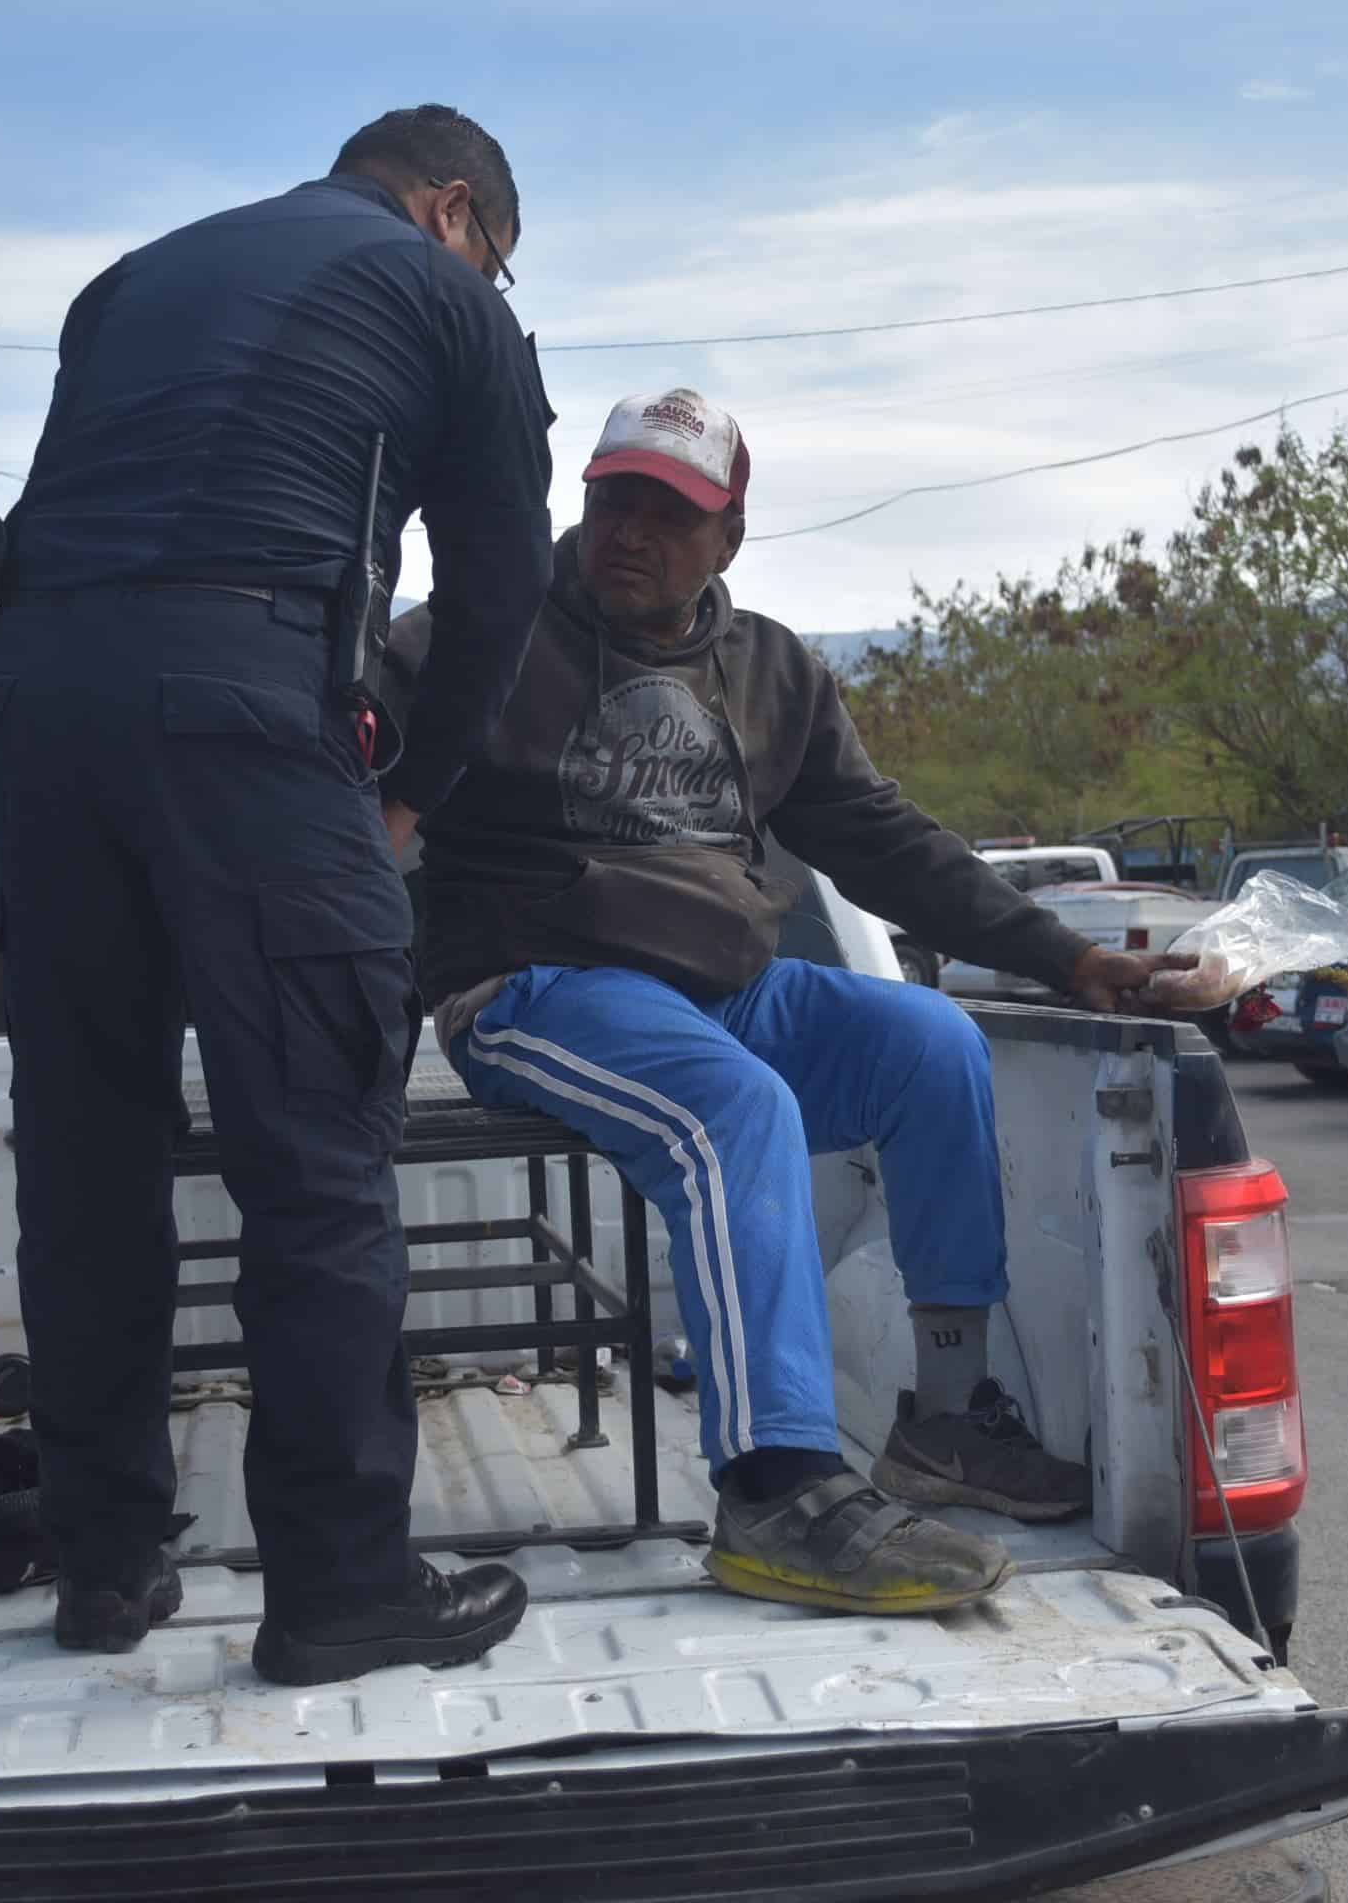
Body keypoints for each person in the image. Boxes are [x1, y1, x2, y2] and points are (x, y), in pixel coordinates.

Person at [383, 388, 1195, 1614]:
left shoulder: (769, 670)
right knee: (735, 1107)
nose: (630, 532)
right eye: (614, 501)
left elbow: (879, 839)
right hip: (537, 984)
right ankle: (777, 1488)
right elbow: (354, 778)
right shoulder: (476, 635)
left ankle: (948, 1415)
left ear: (730, 535)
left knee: (929, 1041)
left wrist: (1061, 956)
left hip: (725, 990)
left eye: (669, 513)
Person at [0, 106, 555, 1684]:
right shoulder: (451, 303)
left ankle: (100, 1565)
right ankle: (344, 1587)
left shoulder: (131, 279)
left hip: (30, 705)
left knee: (86, 1147)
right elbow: (503, 591)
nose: (493, 274)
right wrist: (415, 791)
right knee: (316, 1155)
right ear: (452, 211)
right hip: (242, 703)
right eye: (496, 248)